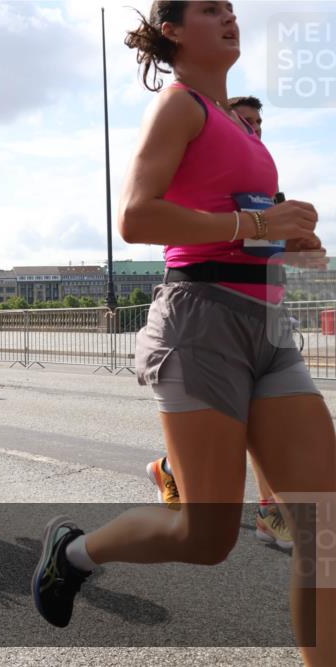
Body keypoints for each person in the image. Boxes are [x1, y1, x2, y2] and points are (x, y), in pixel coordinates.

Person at [32, 6, 334, 666]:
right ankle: (74, 553)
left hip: (267, 326)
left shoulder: (238, 126)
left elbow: (235, 219)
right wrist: (254, 229)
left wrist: (289, 235)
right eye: (210, 10)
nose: (230, 18)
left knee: (324, 523)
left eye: (231, 9)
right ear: (172, 29)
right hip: (201, 323)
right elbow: (136, 216)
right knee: (207, 535)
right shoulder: (181, 106)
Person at [145, 92, 290, 549]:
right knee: (206, 536)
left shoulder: (266, 185)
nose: (254, 128)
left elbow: (269, 247)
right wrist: (247, 223)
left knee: (271, 425)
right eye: (245, 120)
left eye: (259, 123)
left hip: (267, 312)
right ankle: (269, 510)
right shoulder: (199, 164)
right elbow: (146, 222)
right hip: (208, 307)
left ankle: (270, 510)